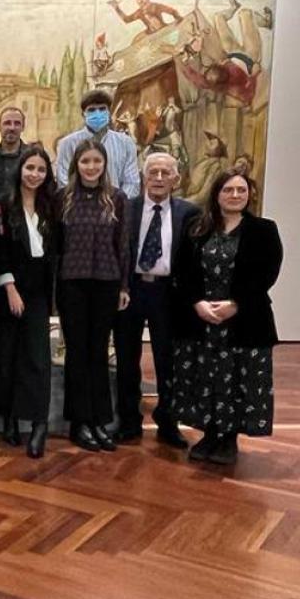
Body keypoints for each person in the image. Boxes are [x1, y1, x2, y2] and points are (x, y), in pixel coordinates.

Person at [171, 169, 282, 465]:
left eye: (241, 190)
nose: (235, 196)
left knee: (235, 379)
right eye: (228, 190)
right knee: (204, 376)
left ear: (249, 195)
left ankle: (229, 438)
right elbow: (182, 269)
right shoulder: (197, 226)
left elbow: (267, 273)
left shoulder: (263, 230)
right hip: (202, 320)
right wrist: (197, 303)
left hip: (243, 320)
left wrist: (236, 304)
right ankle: (209, 434)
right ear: (216, 194)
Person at [111, 152, 199, 447]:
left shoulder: (189, 213)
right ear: (143, 176)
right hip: (131, 290)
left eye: (165, 173)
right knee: (126, 359)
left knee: (167, 360)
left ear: (176, 178)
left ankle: (168, 421)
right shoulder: (126, 208)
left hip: (168, 294)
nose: (159, 178)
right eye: (153, 172)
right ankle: (128, 420)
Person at [0, 145, 60, 458]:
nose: (35, 174)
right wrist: (9, 286)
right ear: (20, 170)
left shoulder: (52, 206)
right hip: (8, 289)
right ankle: (10, 418)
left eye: (41, 170)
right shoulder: (3, 203)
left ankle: (39, 425)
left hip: (39, 291)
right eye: (30, 168)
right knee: (6, 356)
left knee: (38, 358)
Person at [58, 139, 130, 452]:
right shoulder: (63, 198)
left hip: (106, 281)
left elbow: (123, 244)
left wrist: (124, 286)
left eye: (96, 162)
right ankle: (79, 422)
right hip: (72, 282)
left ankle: (100, 419)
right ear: (77, 165)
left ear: (104, 165)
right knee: (76, 352)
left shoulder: (116, 198)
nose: (91, 167)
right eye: (85, 161)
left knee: (99, 352)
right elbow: (56, 246)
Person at [55, 90, 141, 199]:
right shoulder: (67, 143)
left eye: (102, 109)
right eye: (92, 110)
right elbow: (63, 180)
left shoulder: (126, 143)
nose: (97, 113)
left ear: (109, 112)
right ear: (83, 114)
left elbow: (132, 182)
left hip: (117, 210)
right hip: (79, 209)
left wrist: (116, 203)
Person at [0, 107, 27, 193]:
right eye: (7, 123)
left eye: (17, 123)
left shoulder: (32, 158)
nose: (12, 128)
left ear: (23, 127)